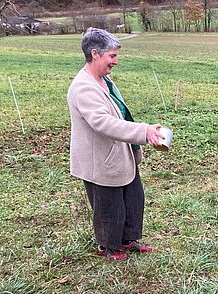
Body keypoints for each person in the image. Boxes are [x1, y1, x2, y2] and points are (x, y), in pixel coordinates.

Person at [67, 27, 166, 261]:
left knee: (133, 198)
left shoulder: (104, 81)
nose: (116, 61)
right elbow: (104, 123)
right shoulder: (83, 87)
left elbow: (119, 113)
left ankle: (129, 240)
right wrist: (143, 131)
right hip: (100, 159)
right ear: (95, 54)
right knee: (108, 205)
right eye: (112, 56)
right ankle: (108, 246)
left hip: (120, 153)